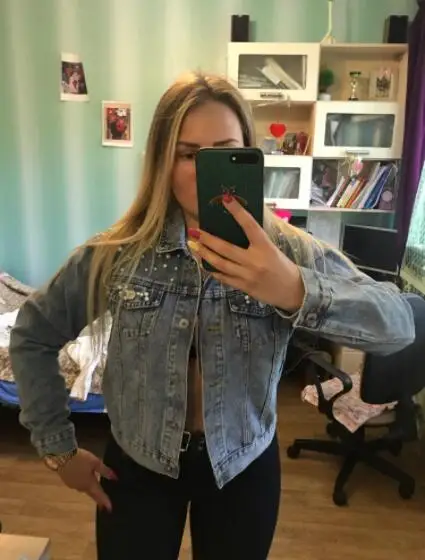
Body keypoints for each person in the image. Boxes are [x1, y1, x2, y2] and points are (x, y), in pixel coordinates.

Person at [9, 71, 415, 560]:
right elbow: (32, 334)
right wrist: (59, 449)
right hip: (137, 467)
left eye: (225, 153)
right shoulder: (117, 255)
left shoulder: (289, 253)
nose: (205, 174)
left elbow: (399, 326)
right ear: (162, 161)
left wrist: (294, 288)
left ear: (249, 155)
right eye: (188, 154)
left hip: (243, 468)